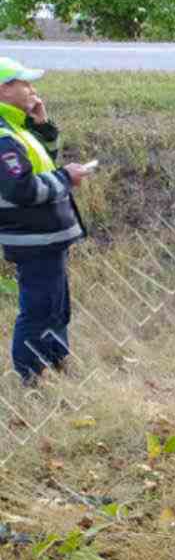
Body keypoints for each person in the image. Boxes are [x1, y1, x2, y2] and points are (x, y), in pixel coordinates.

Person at [0, 58, 94, 387]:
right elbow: (21, 189)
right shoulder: (2, 136)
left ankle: (55, 365)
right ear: (4, 89)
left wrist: (42, 126)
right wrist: (66, 177)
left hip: (46, 236)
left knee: (57, 307)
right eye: (24, 83)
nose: (32, 89)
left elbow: (43, 165)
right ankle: (30, 380)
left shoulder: (17, 128)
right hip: (32, 239)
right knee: (39, 309)